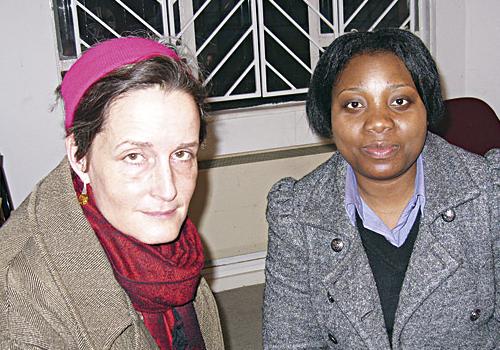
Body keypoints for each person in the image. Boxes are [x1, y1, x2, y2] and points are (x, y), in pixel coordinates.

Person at [263, 28, 499, 349]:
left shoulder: (489, 193)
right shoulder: (296, 214)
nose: (378, 122)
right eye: (355, 104)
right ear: (328, 117)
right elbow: (291, 341)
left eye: (400, 101)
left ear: (426, 109)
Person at [0, 37, 224, 349]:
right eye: (134, 156)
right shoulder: (18, 301)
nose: (168, 188)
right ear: (80, 156)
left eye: (181, 154)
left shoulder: (175, 251)